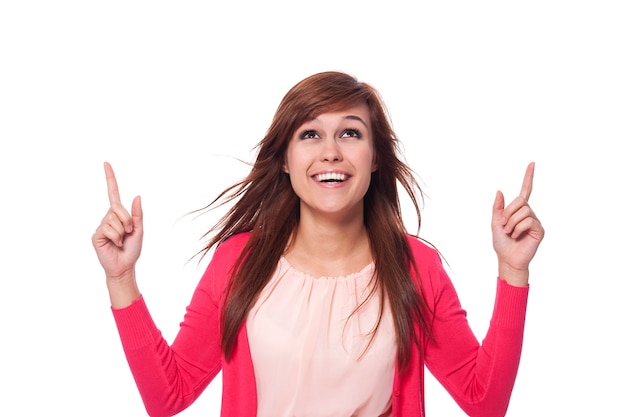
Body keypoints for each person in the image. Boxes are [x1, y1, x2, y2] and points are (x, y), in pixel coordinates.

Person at [92, 71, 544, 417]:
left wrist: (513, 272)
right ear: (286, 160)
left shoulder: (417, 268)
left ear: (375, 158)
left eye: (350, 133)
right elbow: (168, 395)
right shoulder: (236, 263)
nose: (331, 151)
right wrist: (121, 278)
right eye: (310, 134)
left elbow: (484, 401)